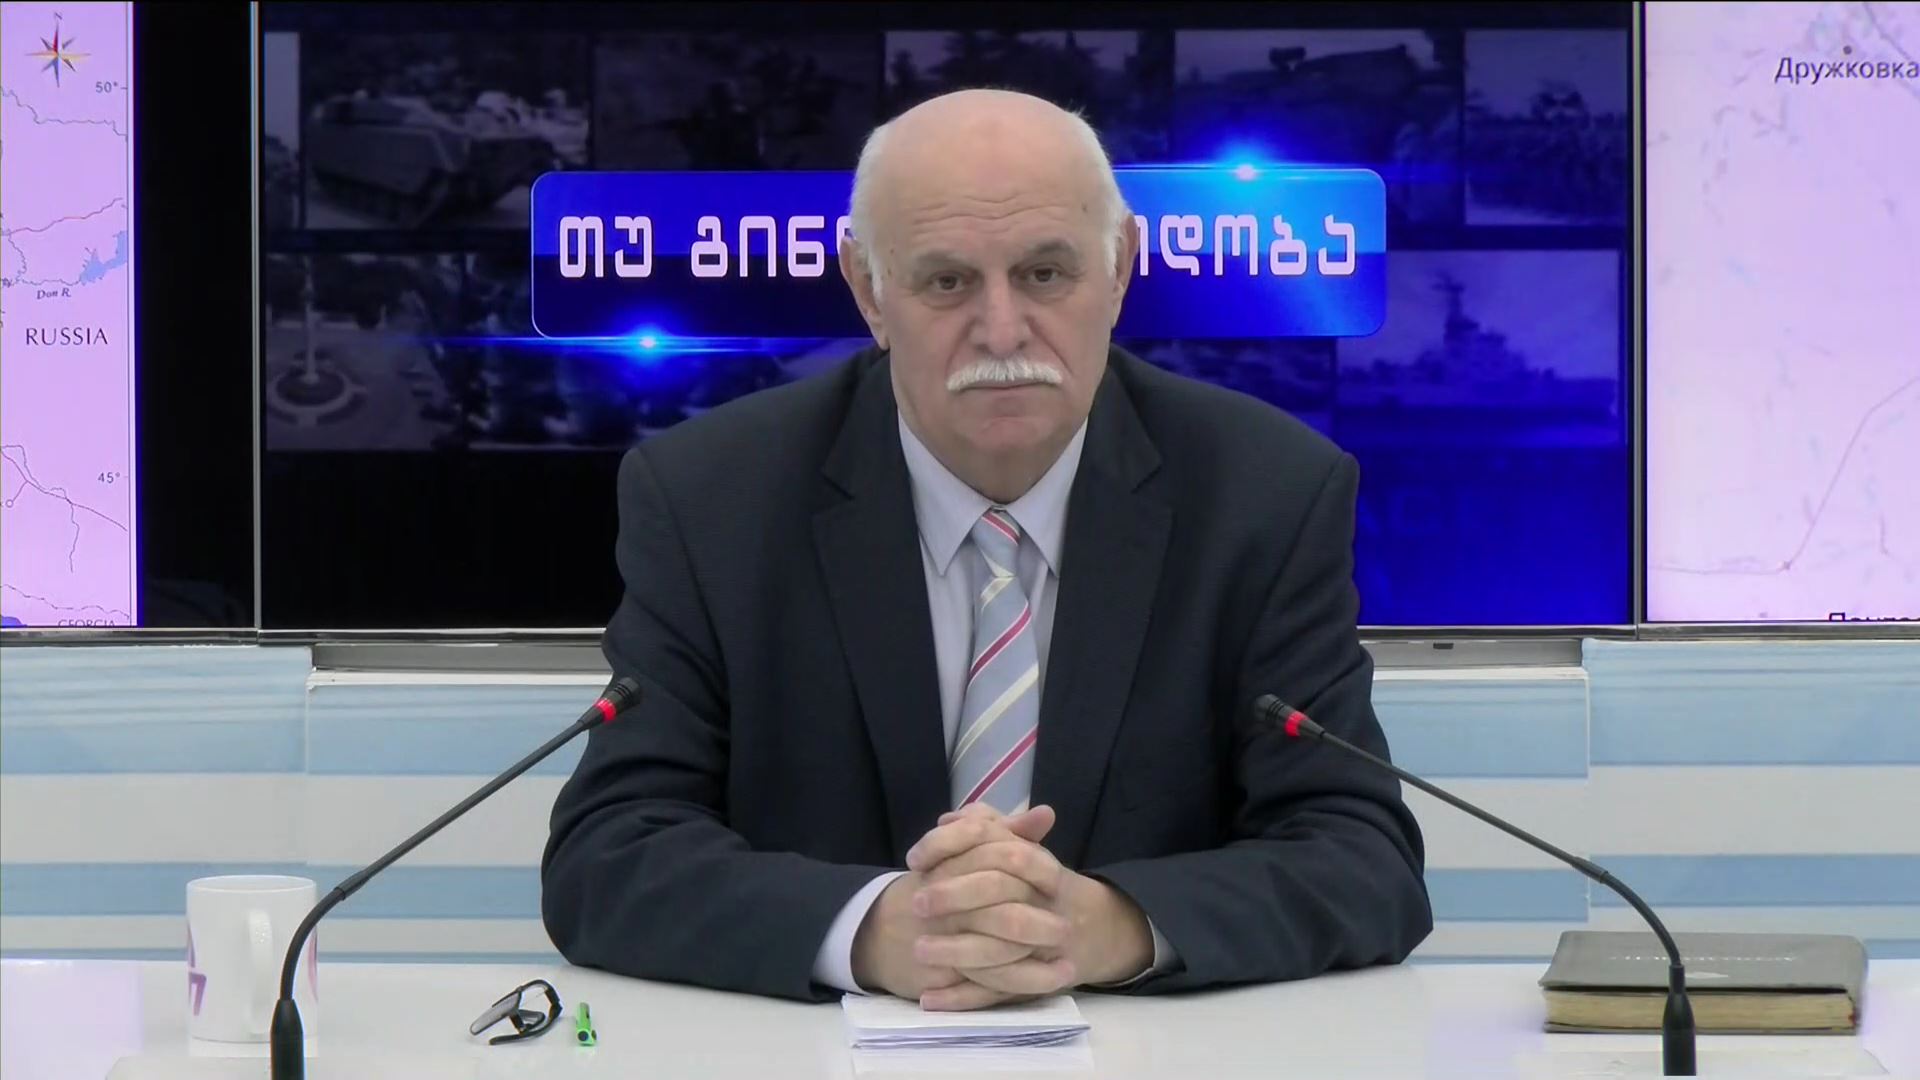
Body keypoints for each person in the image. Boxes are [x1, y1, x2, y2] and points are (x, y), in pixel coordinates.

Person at [541, 88, 1432, 1009]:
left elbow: (1361, 858)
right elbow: (608, 853)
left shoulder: (1267, 495)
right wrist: (874, 930)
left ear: (1120, 270)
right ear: (868, 290)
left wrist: (1110, 926)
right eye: (947, 282)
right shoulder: (711, 498)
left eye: (1045, 274)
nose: (1003, 331)